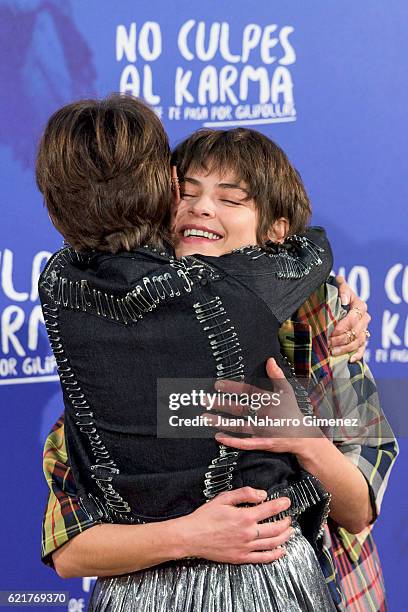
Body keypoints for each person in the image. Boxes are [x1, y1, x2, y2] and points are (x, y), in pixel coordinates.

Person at [37, 99, 397, 610]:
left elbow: (360, 509)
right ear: (158, 200)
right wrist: (192, 536)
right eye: (185, 193)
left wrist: (303, 439)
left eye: (231, 199)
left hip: (322, 588)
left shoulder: (326, 321)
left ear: (276, 231)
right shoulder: (109, 340)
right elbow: (70, 547)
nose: (202, 208)